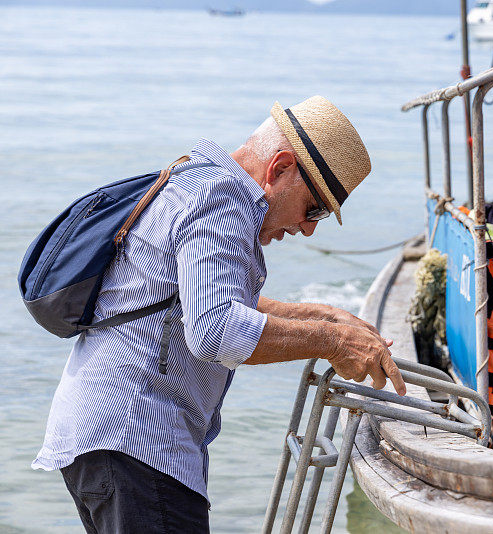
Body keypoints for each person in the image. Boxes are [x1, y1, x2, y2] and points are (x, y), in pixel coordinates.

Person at [31, 95, 407, 533]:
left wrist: (323, 318)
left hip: (108, 438)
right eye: (315, 207)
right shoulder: (221, 199)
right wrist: (335, 342)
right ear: (280, 168)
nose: (309, 228)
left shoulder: (197, 180)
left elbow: (197, 301)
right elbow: (215, 330)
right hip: (138, 439)